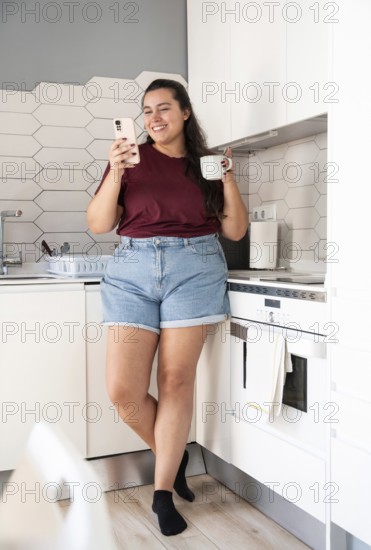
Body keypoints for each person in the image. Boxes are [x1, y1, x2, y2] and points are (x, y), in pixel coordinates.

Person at [86, 79, 248, 536]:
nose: (154, 118)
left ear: (184, 114)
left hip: (195, 267)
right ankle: (172, 457)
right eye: (147, 111)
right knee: (122, 391)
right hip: (132, 270)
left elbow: (234, 230)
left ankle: (161, 495)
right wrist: (115, 171)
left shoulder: (206, 166)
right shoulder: (130, 161)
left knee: (176, 380)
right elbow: (99, 223)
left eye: (164, 108)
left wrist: (230, 177)